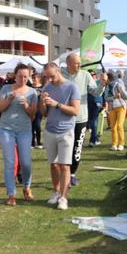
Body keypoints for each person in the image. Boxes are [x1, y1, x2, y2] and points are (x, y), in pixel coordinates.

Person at [0, 63, 38, 206]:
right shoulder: (6, 89)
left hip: (24, 130)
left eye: (25, 76)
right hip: (6, 129)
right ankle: (11, 194)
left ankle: (27, 187)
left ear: (29, 76)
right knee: (10, 162)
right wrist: (9, 99)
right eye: (20, 76)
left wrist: (26, 105)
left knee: (25, 162)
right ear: (15, 75)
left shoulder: (32, 92)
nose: (23, 79)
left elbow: (32, 115)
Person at [40, 62, 81, 211]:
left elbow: (75, 111)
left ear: (58, 71)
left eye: (51, 76)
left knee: (64, 166)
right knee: (53, 164)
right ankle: (56, 192)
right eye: (46, 77)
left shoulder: (72, 87)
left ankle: (64, 198)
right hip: (50, 130)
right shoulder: (47, 87)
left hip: (66, 131)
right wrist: (43, 101)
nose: (49, 79)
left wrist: (56, 104)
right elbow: (44, 113)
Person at [63, 53, 107, 186]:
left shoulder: (86, 75)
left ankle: (72, 174)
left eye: (79, 62)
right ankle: (63, 174)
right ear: (68, 63)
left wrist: (103, 84)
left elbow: (95, 92)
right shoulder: (61, 75)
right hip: (64, 118)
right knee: (65, 148)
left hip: (81, 118)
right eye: (76, 63)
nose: (79, 65)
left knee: (77, 148)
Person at [106, 72, 127, 151]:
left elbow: (126, 96)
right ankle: (114, 144)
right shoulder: (107, 87)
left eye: (105, 78)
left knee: (119, 125)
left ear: (108, 78)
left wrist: (120, 94)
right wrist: (114, 97)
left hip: (121, 107)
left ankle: (121, 144)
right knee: (113, 127)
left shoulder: (117, 84)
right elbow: (106, 98)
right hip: (112, 108)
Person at [87, 70, 105, 148]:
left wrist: (104, 103)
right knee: (92, 121)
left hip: (96, 103)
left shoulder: (98, 82)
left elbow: (101, 92)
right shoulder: (87, 83)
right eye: (89, 75)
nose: (91, 76)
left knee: (93, 121)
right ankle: (94, 139)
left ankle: (93, 139)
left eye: (93, 74)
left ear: (95, 75)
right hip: (89, 102)